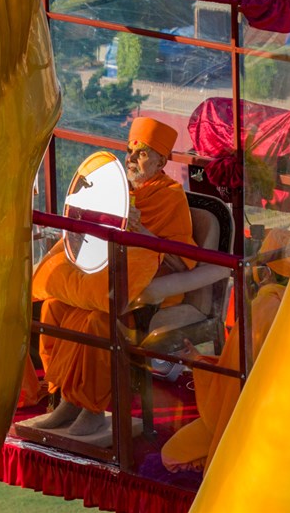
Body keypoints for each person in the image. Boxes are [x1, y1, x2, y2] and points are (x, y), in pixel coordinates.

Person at [32, 116, 196, 436]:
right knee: (55, 308)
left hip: (146, 290)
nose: (131, 159)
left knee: (97, 320)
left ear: (161, 161)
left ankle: (92, 408)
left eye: (142, 153)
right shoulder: (117, 189)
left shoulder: (170, 196)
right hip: (106, 277)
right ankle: (68, 399)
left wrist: (141, 231)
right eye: (130, 151)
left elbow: (181, 262)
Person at [161, 228, 290, 476]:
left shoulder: (263, 307)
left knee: (170, 455)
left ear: (264, 271)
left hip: (253, 421)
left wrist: (197, 363)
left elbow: (233, 382)